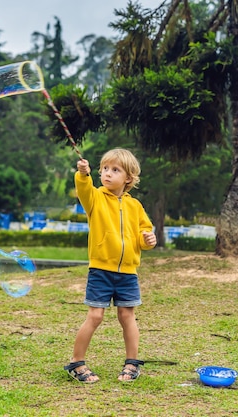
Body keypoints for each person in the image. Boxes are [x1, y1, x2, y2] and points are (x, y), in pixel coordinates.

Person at [64, 148, 157, 383]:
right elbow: (84, 189)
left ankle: (132, 363)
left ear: (128, 178)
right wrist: (83, 174)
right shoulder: (95, 199)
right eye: (104, 168)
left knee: (127, 315)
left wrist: (148, 241)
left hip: (128, 273)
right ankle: (76, 363)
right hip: (100, 270)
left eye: (115, 170)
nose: (107, 174)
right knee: (95, 316)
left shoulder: (135, 206)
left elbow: (144, 234)